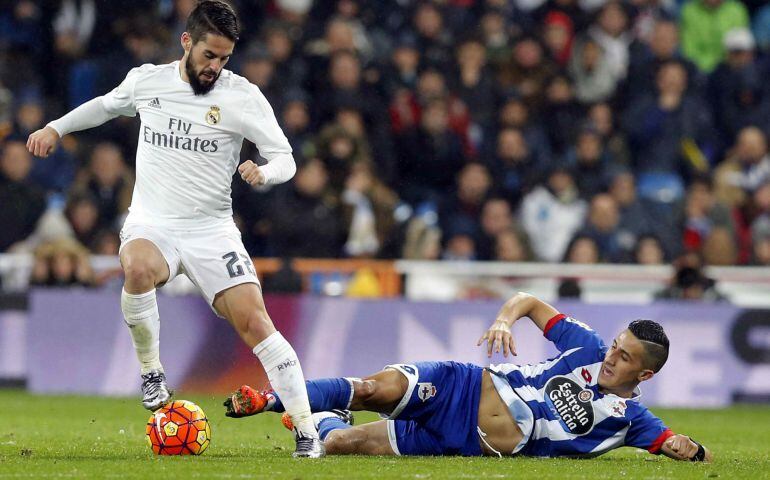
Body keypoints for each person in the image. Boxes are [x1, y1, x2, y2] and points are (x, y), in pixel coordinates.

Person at [25, 0, 323, 458]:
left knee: (257, 322)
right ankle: (151, 372)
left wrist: (266, 174)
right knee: (139, 268)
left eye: (224, 59)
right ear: (187, 42)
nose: (216, 68)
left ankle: (306, 431)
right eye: (209, 56)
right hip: (153, 223)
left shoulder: (242, 95)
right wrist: (55, 127)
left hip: (212, 230)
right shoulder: (148, 81)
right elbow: (105, 107)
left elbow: (285, 156)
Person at [224, 292, 713, 462]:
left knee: (339, 445)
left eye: (625, 358)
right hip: (463, 387)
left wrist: (691, 450)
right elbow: (529, 301)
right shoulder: (584, 346)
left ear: (644, 372)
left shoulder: (630, 420)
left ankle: (323, 417)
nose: (611, 358)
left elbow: (676, 443)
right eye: (615, 346)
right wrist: (504, 318)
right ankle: (268, 399)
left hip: (461, 443)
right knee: (371, 389)